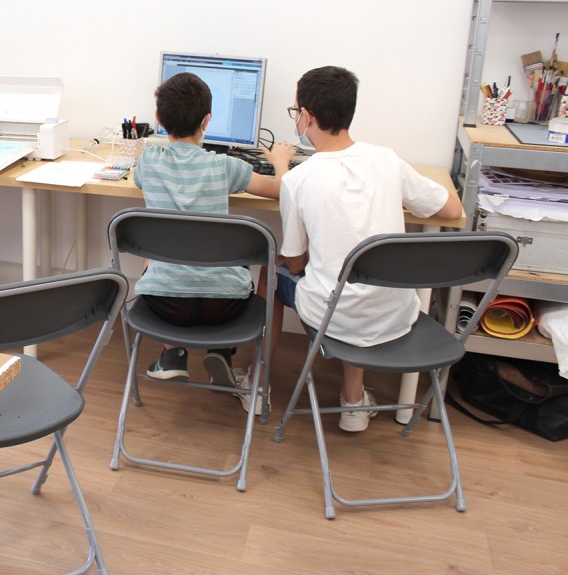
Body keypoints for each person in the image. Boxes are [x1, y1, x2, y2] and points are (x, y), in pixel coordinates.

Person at [265, 65, 463, 431]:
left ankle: (258, 381)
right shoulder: (386, 160)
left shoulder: (297, 179)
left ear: (307, 117)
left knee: (275, 271)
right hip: (395, 315)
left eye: (295, 112)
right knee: (351, 273)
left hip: (333, 318)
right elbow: (453, 210)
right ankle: (353, 401)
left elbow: (294, 264)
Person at [133, 72, 296, 402]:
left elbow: (137, 180)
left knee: (154, 258)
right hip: (225, 307)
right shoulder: (225, 166)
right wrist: (280, 162)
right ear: (207, 121)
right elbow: (281, 189)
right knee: (227, 267)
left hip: (165, 306)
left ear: (159, 119)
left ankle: (173, 353)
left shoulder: (148, 161)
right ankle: (221, 352)